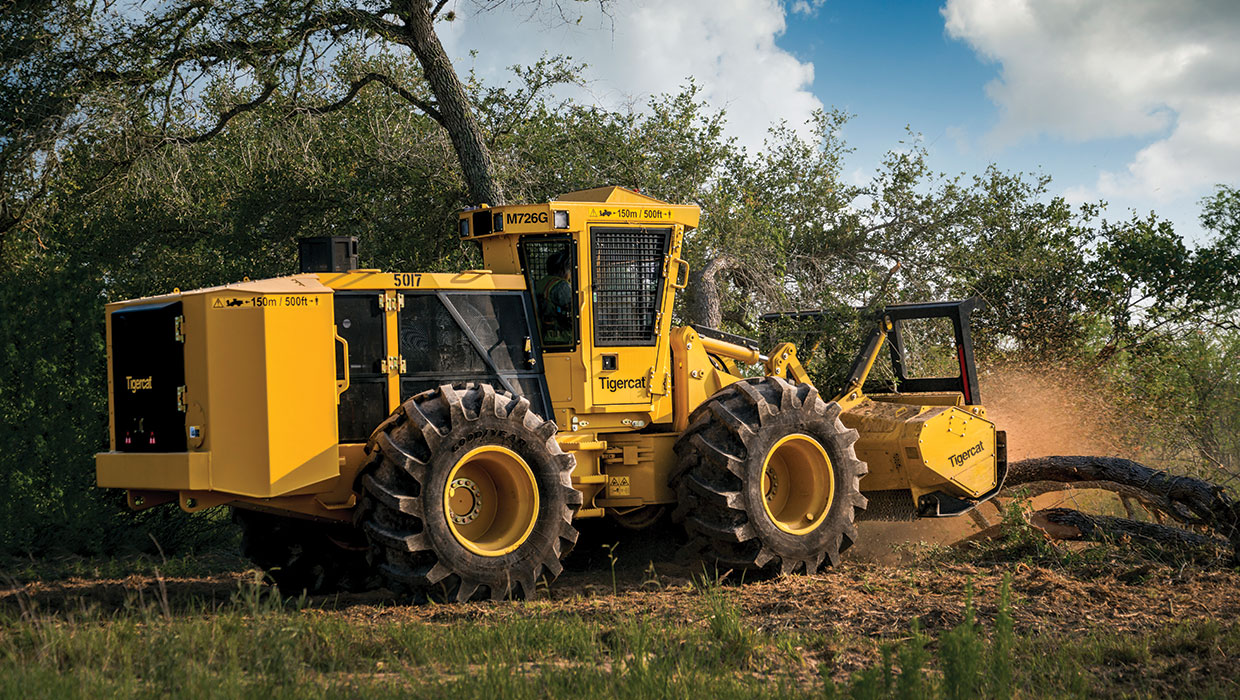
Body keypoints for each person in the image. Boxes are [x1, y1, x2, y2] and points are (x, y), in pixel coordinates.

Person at [535, 248, 574, 345]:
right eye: (570, 269)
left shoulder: (541, 283)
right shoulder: (561, 286)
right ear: (563, 269)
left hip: (543, 334)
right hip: (561, 337)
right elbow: (573, 309)